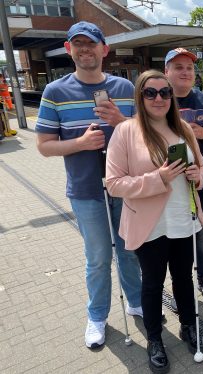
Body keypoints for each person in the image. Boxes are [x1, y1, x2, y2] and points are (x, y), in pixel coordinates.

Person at [35, 21, 142, 349]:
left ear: (103, 49)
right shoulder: (55, 92)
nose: (84, 49)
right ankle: (97, 315)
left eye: (91, 43)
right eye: (77, 44)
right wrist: (80, 143)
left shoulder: (125, 88)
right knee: (97, 257)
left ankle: (136, 301)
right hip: (85, 191)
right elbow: (44, 145)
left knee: (129, 251)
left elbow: (145, 134)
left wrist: (121, 122)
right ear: (69, 50)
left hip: (123, 188)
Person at [106, 70, 203, 374]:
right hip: (149, 224)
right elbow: (113, 183)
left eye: (164, 92)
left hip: (183, 219)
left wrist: (197, 176)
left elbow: (202, 168)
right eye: (151, 93)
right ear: (141, 96)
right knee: (152, 284)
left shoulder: (184, 130)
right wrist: (158, 178)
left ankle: (189, 326)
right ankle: (154, 339)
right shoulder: (126, 131)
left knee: (184, 279)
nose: (159, 98)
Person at [165, 48, 203, 305]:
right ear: (166, 71)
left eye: (189, 67)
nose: (185, 72)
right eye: (178, 67)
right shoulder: (158, 100)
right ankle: (181, 285)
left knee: (201, 234)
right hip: (168, 185)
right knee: (174, 237)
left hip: (202, 183)